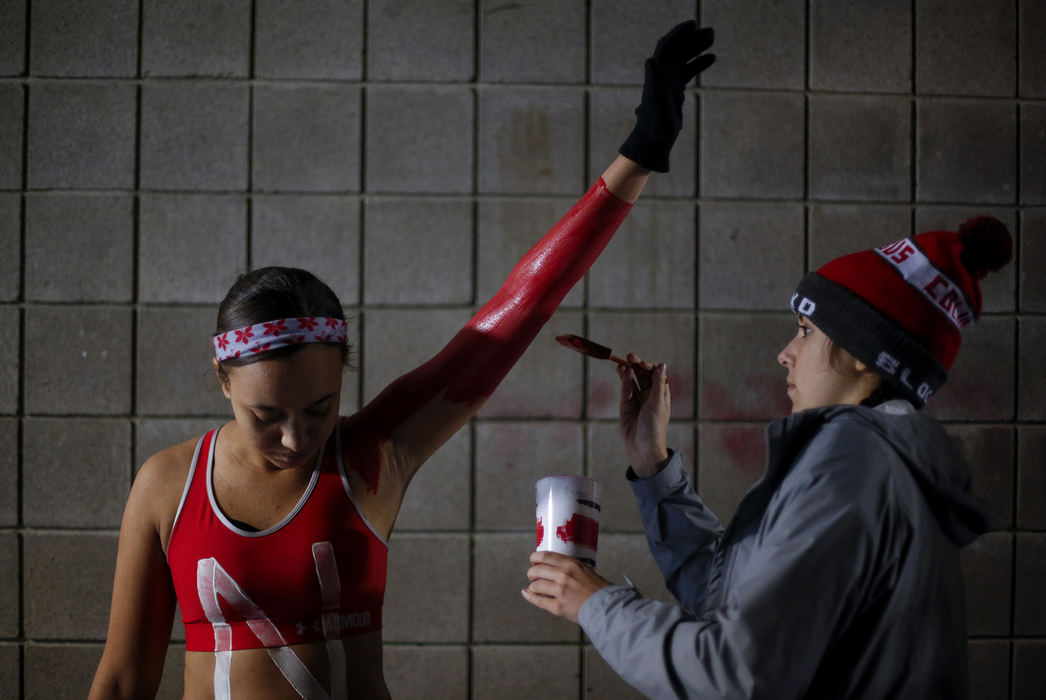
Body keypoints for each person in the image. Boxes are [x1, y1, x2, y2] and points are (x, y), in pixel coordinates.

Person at [88, 21, 716, 700]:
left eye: (320, 409)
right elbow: (124, 680)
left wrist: (641, 153)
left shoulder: (370, 458)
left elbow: (521, 305)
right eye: (266, 415)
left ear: (344, 378)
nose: (297, 438)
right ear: (222, 380)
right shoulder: (167, 486)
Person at [522, 216, 1013, 698]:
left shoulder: (854, 459)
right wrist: (651, 462)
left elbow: (739, 673)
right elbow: (733, 598)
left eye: (805, 331)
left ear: (865, 351)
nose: (786, 352)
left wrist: (596, 604)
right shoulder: (888, 459)